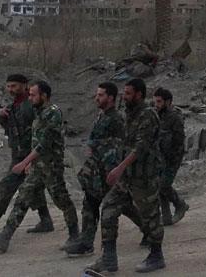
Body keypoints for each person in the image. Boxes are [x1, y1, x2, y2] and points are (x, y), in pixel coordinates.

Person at [0, 81, 80, 253]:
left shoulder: (53, 113)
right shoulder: (38, 113)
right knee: (22, 198)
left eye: (33, 95)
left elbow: (44, 144)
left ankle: (75, 235)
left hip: (51, 166)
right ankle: (5, 236)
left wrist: (24, 162)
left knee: (62, 200)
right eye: (30, 94)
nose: (30, 98)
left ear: (44, 96)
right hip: (37, 166)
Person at [87, 78, 165, 274]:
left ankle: (157, 255)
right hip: (127, 176)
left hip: (144, 176)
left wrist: (119, 168)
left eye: (128, 93)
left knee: (150, 216)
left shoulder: (148, 115)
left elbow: (140, 147)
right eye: (124, 93)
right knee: (109, 208)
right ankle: (109, 259)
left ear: (139, 94)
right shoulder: (128, 115)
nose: (124, 96)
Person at [0, 74, 52, 239]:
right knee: (33, 189)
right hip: (19, 154)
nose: (11, 90)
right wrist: (2, 118)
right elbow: (12, 130)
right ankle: (46, 220)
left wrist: (30, 159)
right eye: (8, 86)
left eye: (14, 86)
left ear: (24, 86)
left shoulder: (30, 106)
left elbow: (37, 132)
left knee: (7, 186)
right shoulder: (14, 106)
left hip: (29, 155)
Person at [65, 82, 126, 257]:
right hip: (97, 170)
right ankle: (86, 243)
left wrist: (97, 147)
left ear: (111, 98)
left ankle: (149, 231)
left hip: (109, 171)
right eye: (97, 95)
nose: (96, 98)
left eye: (100, 95)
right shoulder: (102, 116)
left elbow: (118, 145)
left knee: (124, 206)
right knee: (90, 203)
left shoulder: (116, 119)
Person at [154, 88, 188, 225]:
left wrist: (172, 160)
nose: (156, 104)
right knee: (159, 186)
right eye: (155, 101)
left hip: (172, 158)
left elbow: (179, 142)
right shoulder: (157, 115)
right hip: (160, 157)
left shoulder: (175, 118)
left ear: (168, 102)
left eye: (159, 101)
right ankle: (166, 216)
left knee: (164, 185)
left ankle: (180, 204)